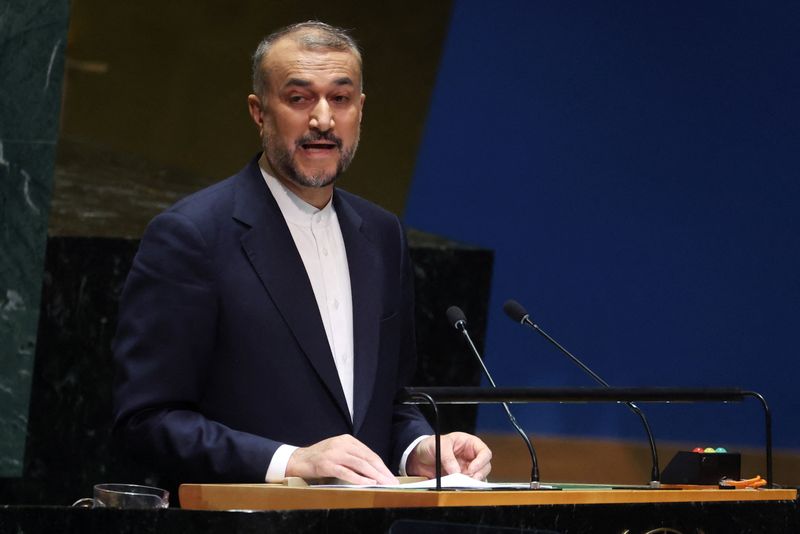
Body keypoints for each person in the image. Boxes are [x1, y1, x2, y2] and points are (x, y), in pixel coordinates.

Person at [112, 21, 491, 486]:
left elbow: (389, 403)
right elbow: (146, 420)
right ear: (258, 112)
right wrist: (290, 462)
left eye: (340, 98)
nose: (323, 120)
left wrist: (418, 447)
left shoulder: (382, 233)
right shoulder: (192, 236)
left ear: (360, 109)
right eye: (299, 98)